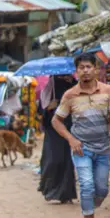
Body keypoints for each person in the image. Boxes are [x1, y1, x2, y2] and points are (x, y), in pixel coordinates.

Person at [52, 53, 110, 218]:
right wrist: (71, 139)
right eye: (81, 68)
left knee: (102, 189)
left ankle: (88, 206)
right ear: (76, 72)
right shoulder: (70, 95)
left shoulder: (107, 91)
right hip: (81, 148)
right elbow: (56, 121)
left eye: (88, 67)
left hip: (103, 148)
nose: (85, 71)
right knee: (86, 185)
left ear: (96, 69)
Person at [38, 75, 77, 204]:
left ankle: (66, 194)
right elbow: (41, 109)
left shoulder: (76, 85)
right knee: (53, 160)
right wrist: (50, 106)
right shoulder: (52, 85)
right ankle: (50, 190)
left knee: (67, 161)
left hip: (69, 127)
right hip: (52, 129)